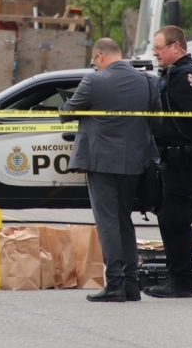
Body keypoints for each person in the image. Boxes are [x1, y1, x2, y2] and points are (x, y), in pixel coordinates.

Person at [59, 38, 159, 303]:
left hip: (101, 161)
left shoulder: (94, 81)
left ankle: (114, 283)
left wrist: (70, 107)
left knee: (107, 223)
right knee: (124, 220)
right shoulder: (146, 81)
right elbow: (155, 116)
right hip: (135, 161)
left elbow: (68, 113)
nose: (94, 65)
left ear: (100, 56)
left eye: (94, 61)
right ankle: (131, 284)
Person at [147, 25, 192, 299]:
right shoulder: (173, 74)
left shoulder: (185, 75)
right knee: (168, 217)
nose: (156, 53)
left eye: (159, 48)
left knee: (175, 219)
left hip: (182, 157)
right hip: (172, 155)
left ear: (176, 47)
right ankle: (176, 277)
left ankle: (181, 282)